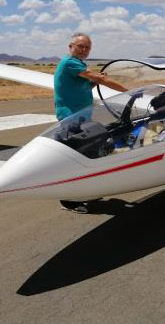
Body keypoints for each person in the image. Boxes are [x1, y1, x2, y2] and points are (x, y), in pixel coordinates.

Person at [55, 32, 128, 213]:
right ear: (70, 47)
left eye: (87, 48)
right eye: (80, 46)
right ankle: (68, 200)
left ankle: (82, 191)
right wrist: (130, 92)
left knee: (85, 153)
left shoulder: (78, 65)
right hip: (71, 118)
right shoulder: (70, 62)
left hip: (80, 117)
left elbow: (85, 86)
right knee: (75, 157)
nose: (83, 50)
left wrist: (94, 81)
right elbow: (101, 79)